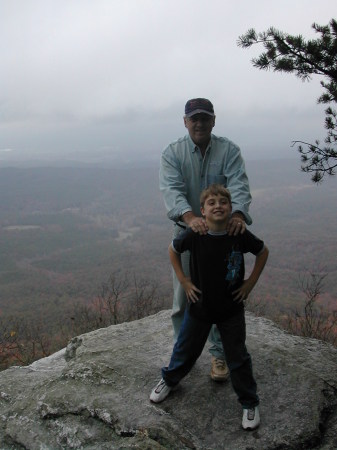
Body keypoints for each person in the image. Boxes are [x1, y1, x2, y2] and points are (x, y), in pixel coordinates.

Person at [150, 184, 268, 430]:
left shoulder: (238, 232)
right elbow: (173, 250)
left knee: (237, 357)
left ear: (230, 208)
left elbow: (263, 252)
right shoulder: (195, 234)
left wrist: (250, 284)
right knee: (186, 349)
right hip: (200, 306)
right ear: (202, 210)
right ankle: (169, 380)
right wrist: (184, 281)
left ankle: (249, 403)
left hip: (230, 309)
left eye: (223, 202)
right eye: (211, 203)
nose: (218, 206)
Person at [159, 98, 252, 381]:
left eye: (204, 118)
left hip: (224, 236)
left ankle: (219, 356)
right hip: (187, 234)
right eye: (194, 119)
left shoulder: (229, 150)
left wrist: (237, 215)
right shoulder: (173, 153)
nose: (199, 123)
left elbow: (239, 184)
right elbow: (172, 190)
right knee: (184, 297)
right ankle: (183, 352)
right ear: (185, 122)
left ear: (213, 120)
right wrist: (190, 219)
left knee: (220, 295)